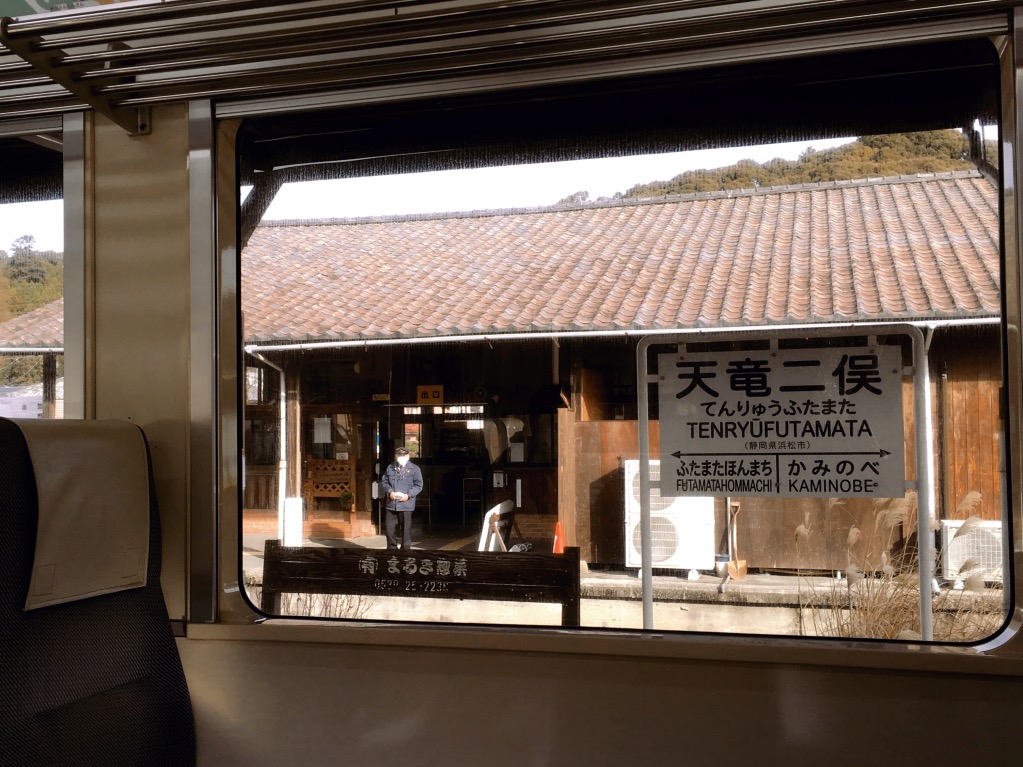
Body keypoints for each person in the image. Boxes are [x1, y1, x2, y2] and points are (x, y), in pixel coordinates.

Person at [380, 446, 423, 549]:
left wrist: (408, 495)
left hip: (406, 505)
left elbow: (419, 485)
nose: (401, 457)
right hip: (391, 505)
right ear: (396, 456)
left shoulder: (415, 469)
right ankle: (391, 552)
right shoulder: (390, 467)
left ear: (408, 456)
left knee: (405, 531)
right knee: (390, 530)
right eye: (399, 455)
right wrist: (390, 491)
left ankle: (405, 553)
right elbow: (384, 481)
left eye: (403, 455)